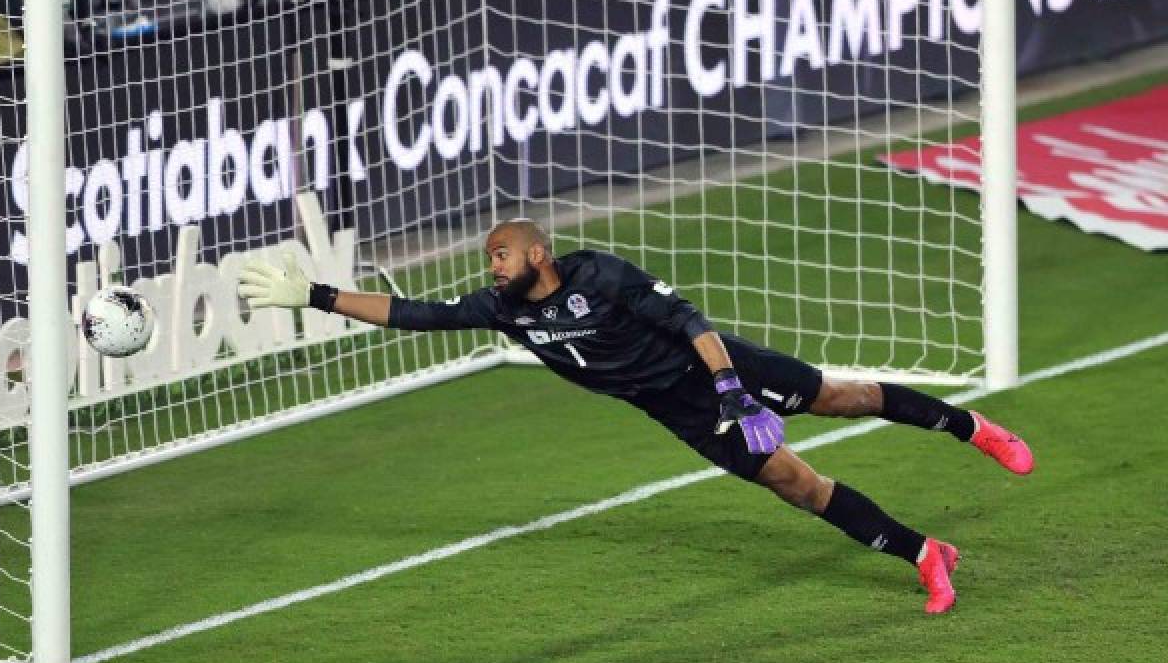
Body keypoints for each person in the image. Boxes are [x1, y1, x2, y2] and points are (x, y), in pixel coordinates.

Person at [237, 219, 1034, 614]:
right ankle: (927, 553)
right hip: (679, 413)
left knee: (845, 397)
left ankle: (975, 430)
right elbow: (414, 313)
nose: (492, 265)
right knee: (798, 487)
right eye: (489, 259)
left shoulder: (602, 275)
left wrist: (730, 389)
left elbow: (692, 322)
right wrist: (315, 296)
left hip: (720, 371)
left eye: (502, 254)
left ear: (539, 254)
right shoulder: (501, 310)